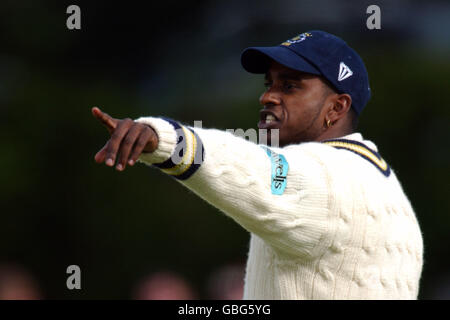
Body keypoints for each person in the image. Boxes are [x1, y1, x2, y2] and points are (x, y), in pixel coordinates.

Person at [92, 30, 423, 299]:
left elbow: (253, 168)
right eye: (269, 84)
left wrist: (164, 139)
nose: (267, 97)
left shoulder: (331, 177)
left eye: (290, 86)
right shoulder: (387, 190)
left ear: (336, 108)